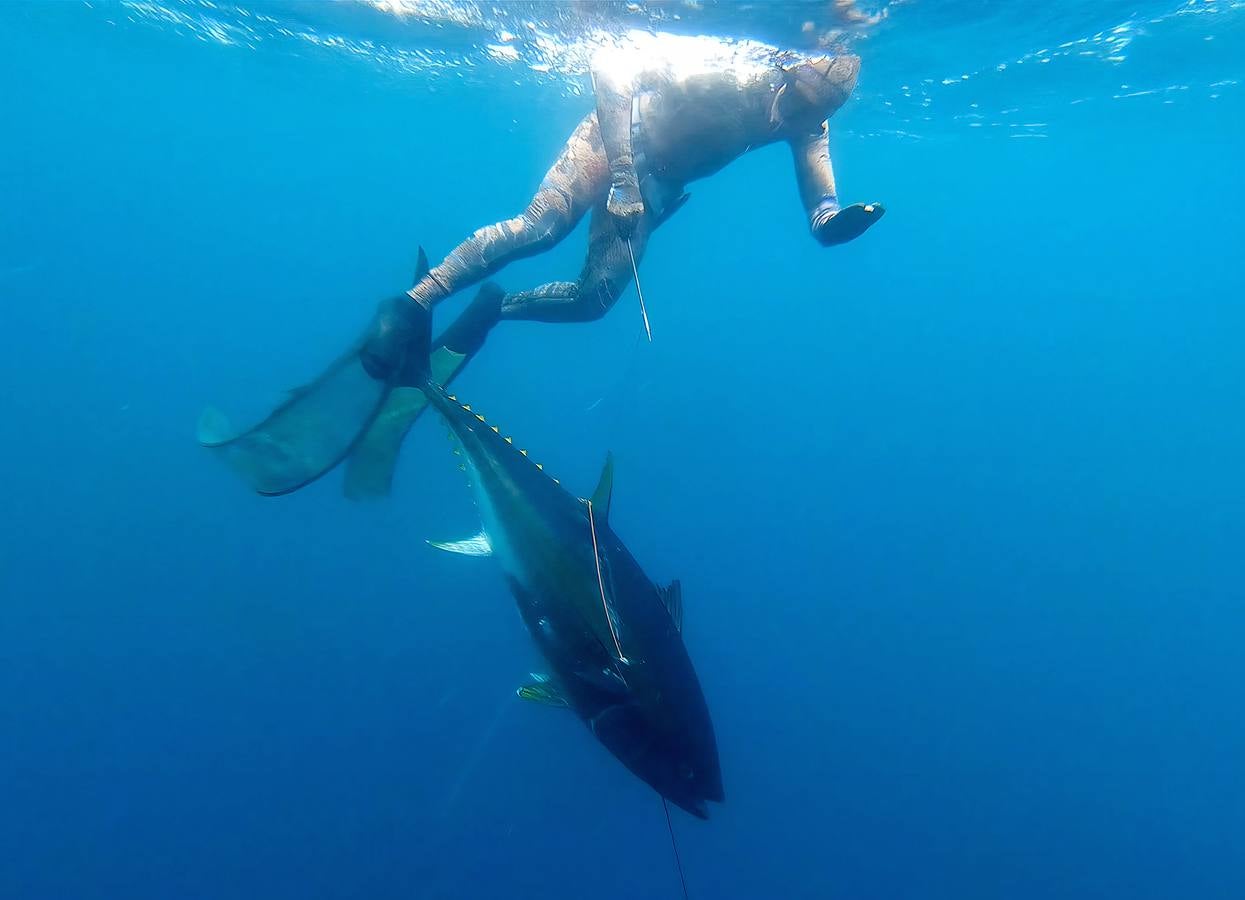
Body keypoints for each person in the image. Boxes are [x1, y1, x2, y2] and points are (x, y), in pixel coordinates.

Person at [200, 44, 884, 498]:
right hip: (615, 143)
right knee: (540, 226)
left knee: (594, 301)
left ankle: (496, 307)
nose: (788, 120)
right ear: (787, 74)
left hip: (658, 184)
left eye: (809, 116)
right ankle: (412, 304)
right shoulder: (729, 69)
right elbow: (613, 70)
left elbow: (816, 180)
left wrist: (828, 221)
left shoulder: (808, 122)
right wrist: (620, 174)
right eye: (794, 104)